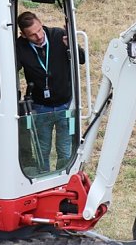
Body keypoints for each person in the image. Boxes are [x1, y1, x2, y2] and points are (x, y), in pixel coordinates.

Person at [16, 11, 85, 170]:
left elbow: (81, 59)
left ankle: (63, 179)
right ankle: (44, 180)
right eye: (32, 35)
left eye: (39, 30)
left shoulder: (59, 36)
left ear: (41, 23)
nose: (39, 36)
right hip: (40, 107)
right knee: (42, 150)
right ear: (24, 35)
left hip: (65, 105)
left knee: (65, 149)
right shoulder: (20, 46)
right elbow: (10, 69)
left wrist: (72, 46)